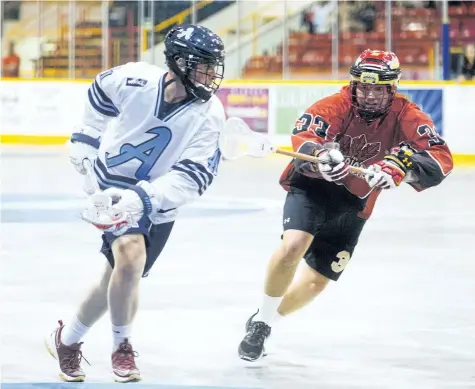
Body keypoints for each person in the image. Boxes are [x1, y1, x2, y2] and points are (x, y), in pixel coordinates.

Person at [237, 49, 454, 362]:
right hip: (311, 186)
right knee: (293, 246)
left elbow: (440, 158)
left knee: (316, 281)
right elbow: (305, 134)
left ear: (392, 88)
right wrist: (323, 157)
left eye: (378, 88)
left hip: (354, 201)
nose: (368, 95)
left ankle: (266, 320)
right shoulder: (335, 104)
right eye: (363, 87)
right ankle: (261, 323)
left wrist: (400, 171)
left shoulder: (408, 116)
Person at [44, 24, 226, 382]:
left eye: (213, 66)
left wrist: (142, 198)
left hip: (157, 198)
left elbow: (192, 178)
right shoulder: (136, 79)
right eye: (203, 65)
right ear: (178, 63)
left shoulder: (210, 113)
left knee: (119, 276)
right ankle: (122, 347)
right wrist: (86, 139)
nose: (211, 74)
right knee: (130, 254)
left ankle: (67, 340)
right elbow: (99, 93)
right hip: (111, 183)